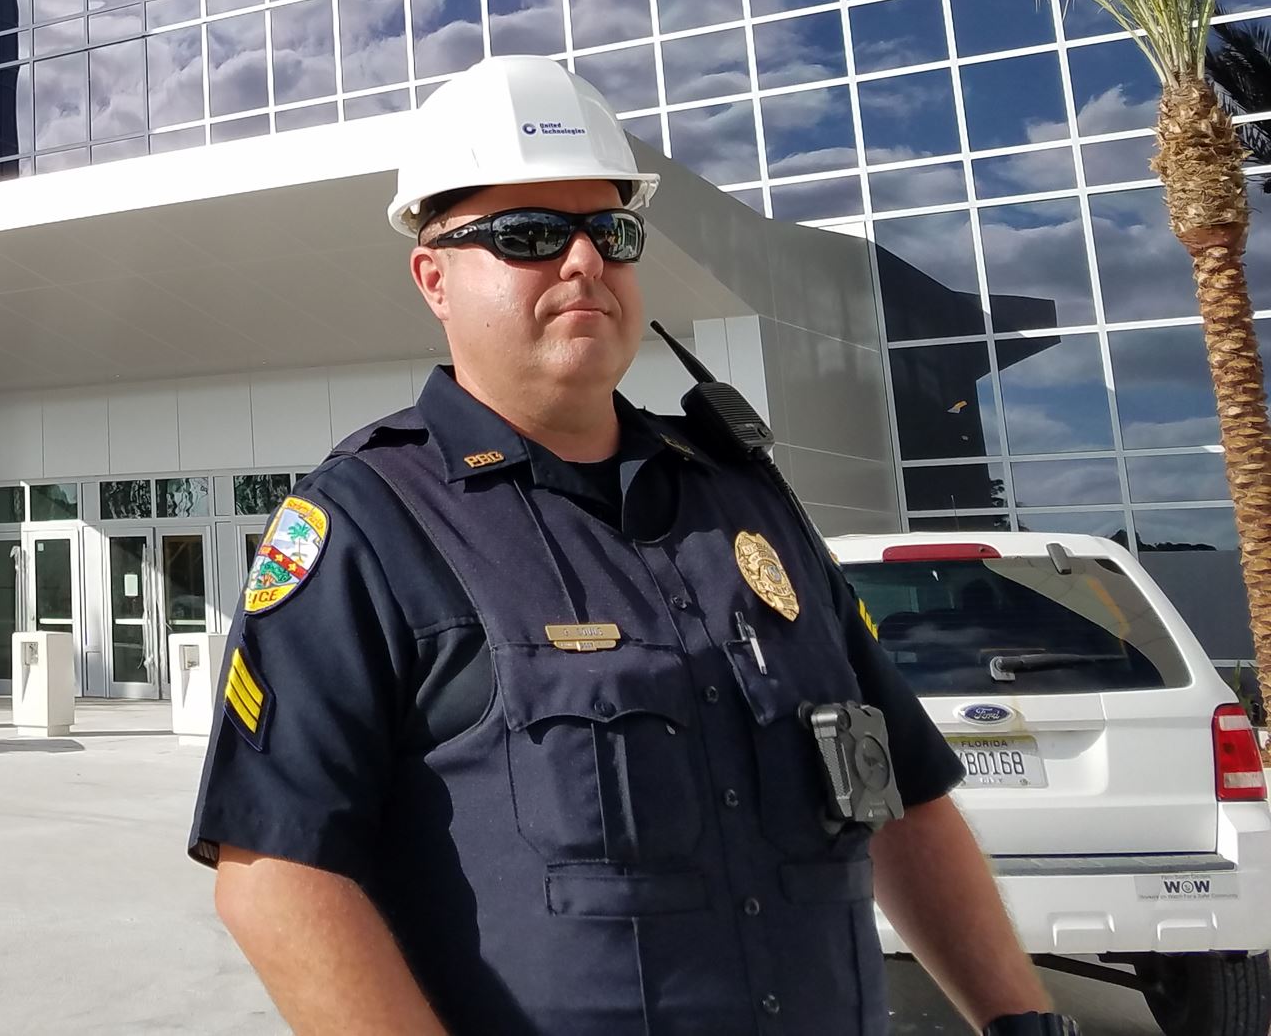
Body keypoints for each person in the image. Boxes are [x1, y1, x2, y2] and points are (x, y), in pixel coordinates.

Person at [188, 54, 1071, 1036]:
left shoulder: (746, 504)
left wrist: (1020, 1023)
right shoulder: (365, 524)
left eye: (608, 231)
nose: (581, 263)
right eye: (525, 235)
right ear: (433, 277)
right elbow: (274, 873)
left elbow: (900, 795)